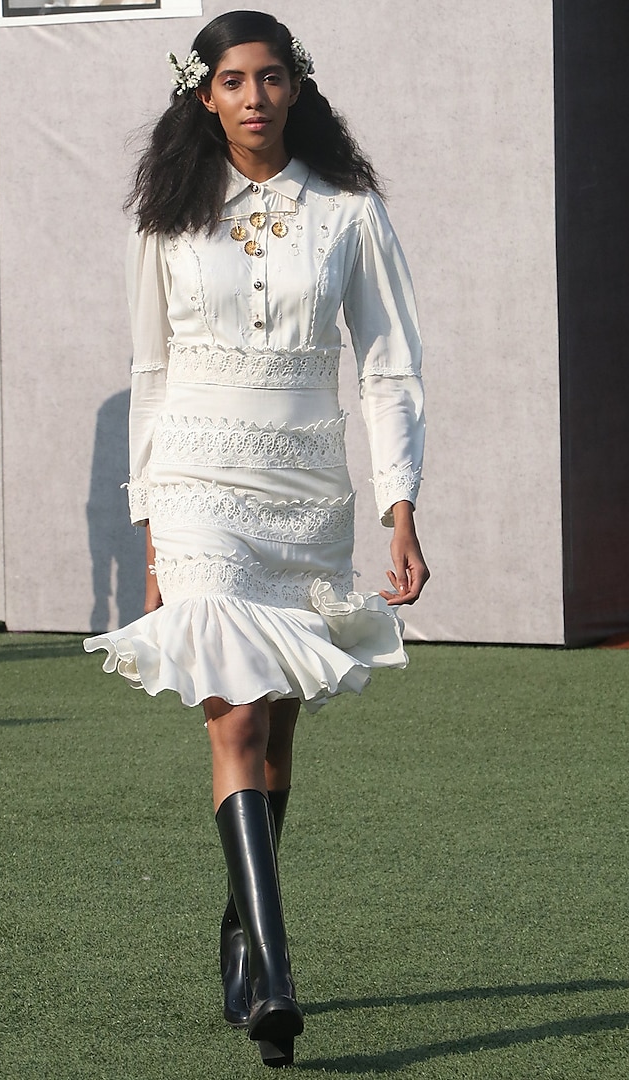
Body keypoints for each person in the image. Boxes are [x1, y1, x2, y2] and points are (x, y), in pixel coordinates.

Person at [84, 9, 429, 1067]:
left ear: (297, 87)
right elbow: (149, 372)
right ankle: (277, 973)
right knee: (231, 717)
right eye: (233, 80)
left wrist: (402, 506)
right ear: (204, 95)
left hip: (305, 482)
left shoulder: (351, 210)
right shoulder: (167, 216)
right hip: (197, 475)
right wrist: (149, 514)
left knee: (276, 732)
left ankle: (241, 926)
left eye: (271, 77)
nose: (254, 97)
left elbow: (389, 365)